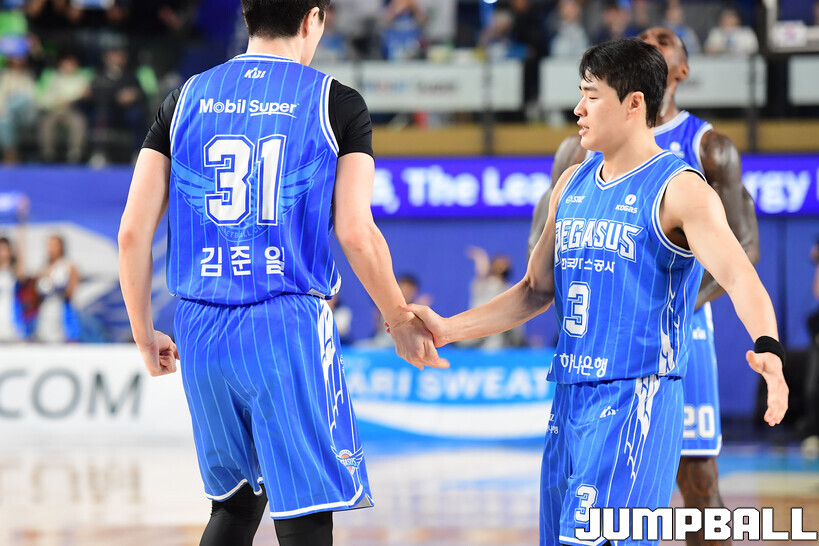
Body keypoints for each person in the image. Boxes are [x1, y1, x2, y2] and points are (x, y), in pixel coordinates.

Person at [402, 38, 787, 546]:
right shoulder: (572, 183)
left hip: (636, 397)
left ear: (633, 104)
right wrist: (448, 329)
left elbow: (740, 277)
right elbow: (534, 289)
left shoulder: (680, 189)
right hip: (570, 399)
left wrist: (768, 348)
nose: (578, 109)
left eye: (591, 95)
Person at [118, 2, 447, 545]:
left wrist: (143, 333)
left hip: (199, 328)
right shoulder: (335, 101)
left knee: (233, 507)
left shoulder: (184, 98)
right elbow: (356, 232)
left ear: (248, 16)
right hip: (284, 326)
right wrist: (398, 318)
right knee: (306, 511)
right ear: (314, 18)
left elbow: (133, 232)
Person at [529, 26, 761, 546]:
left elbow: (743, 253)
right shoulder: (579, 156)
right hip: (591, 355)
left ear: (679, 70)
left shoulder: (705, 148)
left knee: (698, 480)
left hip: (677, 334)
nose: (652, 38)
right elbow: (538, 266)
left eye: (665, 38)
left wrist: (665, 304)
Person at [34, 234, 80, 342]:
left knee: (60, 339)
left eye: (55, 245)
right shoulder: (43, 267)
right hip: (45, 310)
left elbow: (72, 292)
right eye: (49, 245)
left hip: (61, 310)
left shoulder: (68, 265)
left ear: (61, 246)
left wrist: (60, 285)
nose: (51, 248)